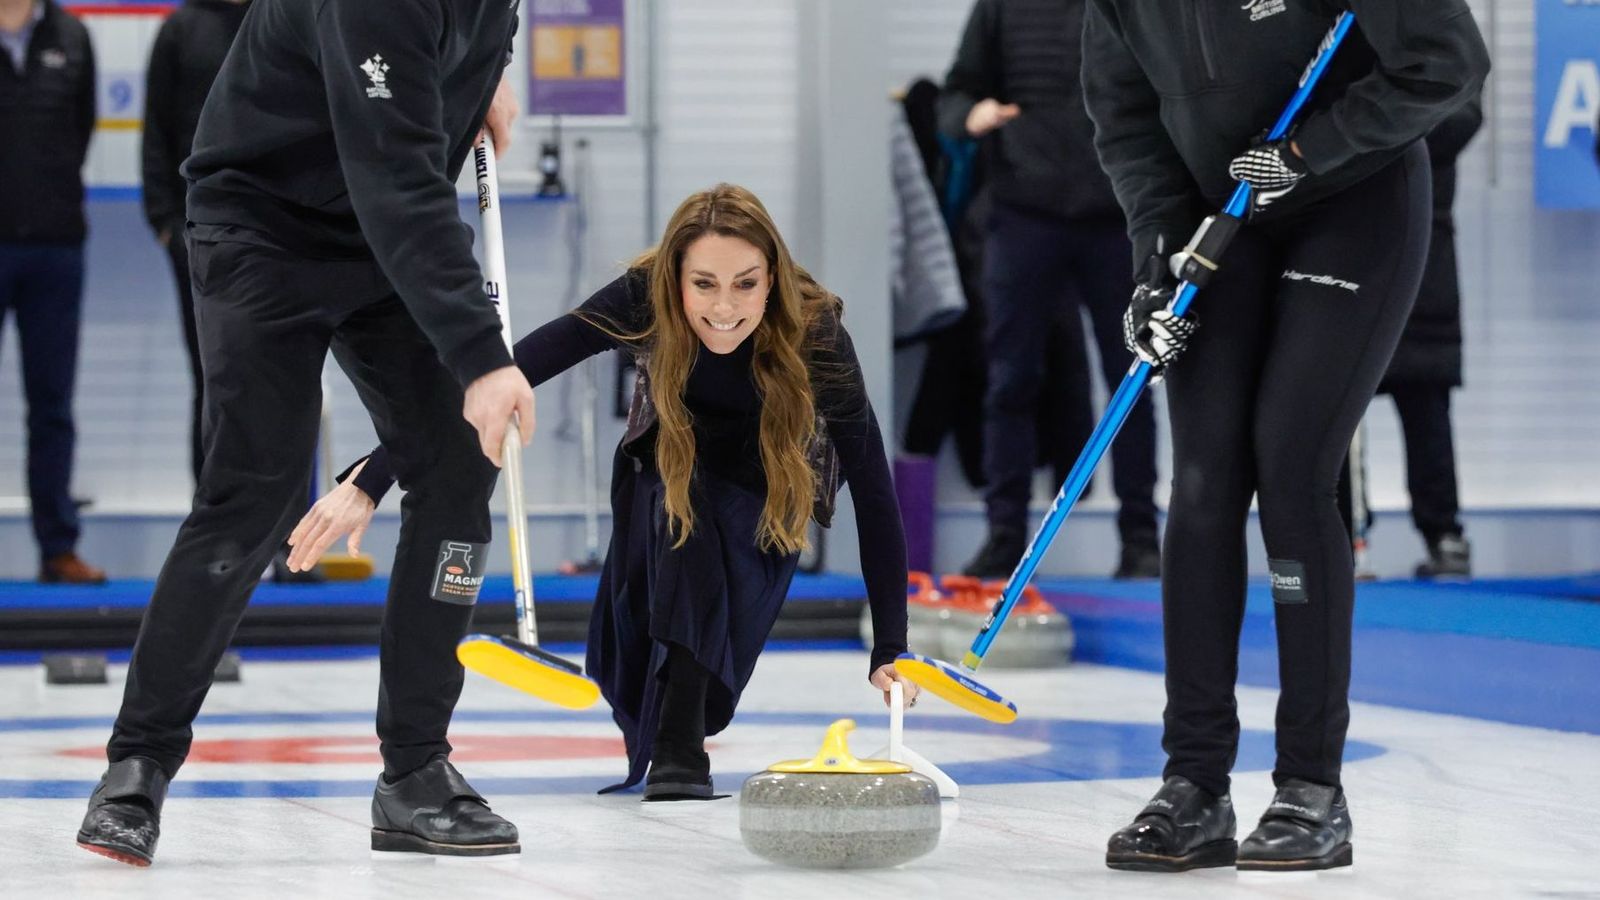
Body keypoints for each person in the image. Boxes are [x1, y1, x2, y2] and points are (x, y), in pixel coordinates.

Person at [77, 0, 532, 866]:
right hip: (263, 224)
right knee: (256, 487)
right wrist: (481, 356)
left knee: (457, 463)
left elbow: (439, 86)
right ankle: (137, 765)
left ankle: (416, 774)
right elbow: (394, 171)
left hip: (381, 233)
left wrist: (482, 80)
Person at [289, 184, 916, 801]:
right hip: (663, 477)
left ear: (772, 279)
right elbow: (500, 381)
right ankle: (677, 751)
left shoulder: (814, 328)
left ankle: (681, 734)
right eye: (704, 284)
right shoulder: (642, 297)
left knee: (711, 667)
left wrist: (890, 647)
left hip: (764, 502)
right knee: (683, 527)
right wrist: (370, 480)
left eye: (745, 284)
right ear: (675, 280)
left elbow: (873, 489)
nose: (725, 307)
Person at [1083, 0, 1489, 873]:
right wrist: (1156, 261)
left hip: (1352, 196)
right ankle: (1193, 785)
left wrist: (1305, 154)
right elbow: (1126, 122)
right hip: (1218, 215)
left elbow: (1447, 63)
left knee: (1292, 465)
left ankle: (1311, 787)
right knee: (1201, 482)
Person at [940, 0, 1163, 581]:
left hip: (1117, 218)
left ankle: (1142, 538)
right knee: (1010, 379)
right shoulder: (1001, 8)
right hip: (1023, 217)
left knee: (1133, 378)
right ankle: (1004, 537)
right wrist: (973, 113)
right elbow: (953, 97)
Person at [0, 0, 106, 584]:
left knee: (52, 407)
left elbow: (81, 128)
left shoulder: (73, 35)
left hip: (55, 247)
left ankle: (57, 549)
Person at [141, 0, 251, 484]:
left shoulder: (287, 17)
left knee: (287, 386)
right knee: (213, 381)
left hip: (287, 237)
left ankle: (290, 546)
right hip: (197, 238)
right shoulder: (180, 30)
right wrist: (165, 223)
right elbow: (156, 133)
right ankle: (215, 535)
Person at [1376, 96, 1483, 579]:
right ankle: (1340, 536)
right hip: (1348, 253)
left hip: (1426, 256)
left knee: (1427, 407)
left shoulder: (1442, 37)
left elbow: (1461, 116)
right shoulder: (1333, 32)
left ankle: (1444, 534)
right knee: (1332, 415)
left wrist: (1371, 126)